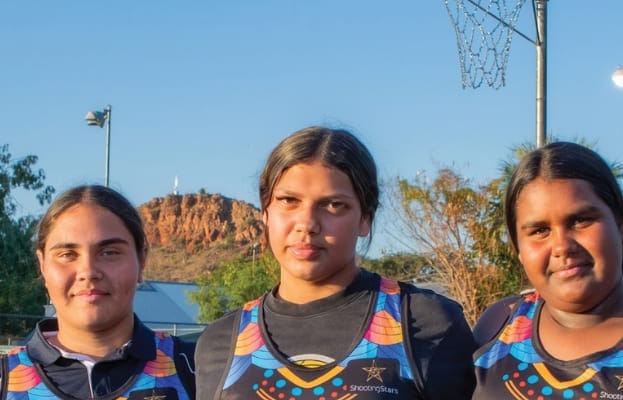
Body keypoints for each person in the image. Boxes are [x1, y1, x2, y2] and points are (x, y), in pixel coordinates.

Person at [195, 126, 477, 399]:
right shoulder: (223, 341)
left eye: (333, 205)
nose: (307, 224)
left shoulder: (421, 322)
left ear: (365, 218)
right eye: (288, 200)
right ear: (265, 212)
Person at [472, 142, 623, 399]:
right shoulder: (498, 325)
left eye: (580, 220)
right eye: (540, 230)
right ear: (519, 249)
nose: (562, 246)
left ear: (621, 225)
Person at [0, 185, 196, 399]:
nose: (88, 272)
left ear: (141, 260)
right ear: (42, 265)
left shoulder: (196, 369)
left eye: (109, 252)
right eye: (67, 254)